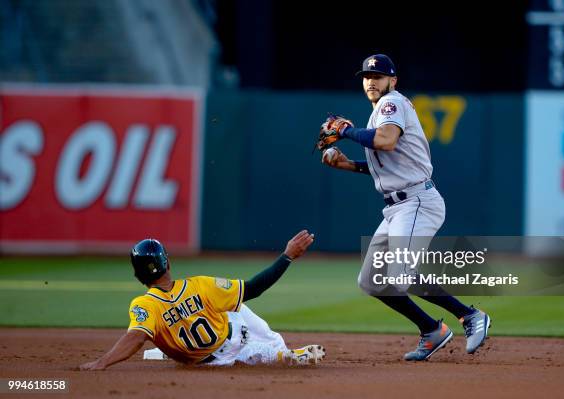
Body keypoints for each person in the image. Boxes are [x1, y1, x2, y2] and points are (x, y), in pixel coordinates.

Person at [320, 54, 491, 361]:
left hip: (416, 203)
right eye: (366, 77)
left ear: (393, 80)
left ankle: (469, 316)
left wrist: (345, 131)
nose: (371, 81)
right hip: (398, 207)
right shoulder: (379, 115)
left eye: (378, 76)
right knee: (371, 281)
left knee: (401, 274)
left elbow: (384, 141)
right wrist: (346, 164)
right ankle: (431, 330)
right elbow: (387, 165)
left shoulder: (392, 104)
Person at [79, 230, 325, 370]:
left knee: (160, 331)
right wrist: (287, 257)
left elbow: (135, 337)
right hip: (229, 341)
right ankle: (282, 353)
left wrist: (102, 363)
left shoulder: (145, 305)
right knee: (241, 310)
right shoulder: (200, 285)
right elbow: (253, 288)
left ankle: (165, 352)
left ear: (137, 275)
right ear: (168, 262)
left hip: (203, 362)